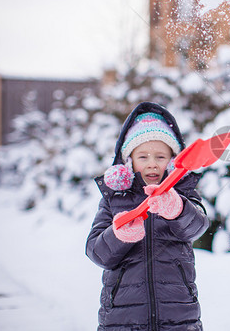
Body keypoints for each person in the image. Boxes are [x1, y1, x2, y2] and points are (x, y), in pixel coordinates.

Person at [86, 102, 209, 331]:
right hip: (123, 317)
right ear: (129, 161)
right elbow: (97, 252)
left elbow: (198, 226)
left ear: (173, 160)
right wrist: (118, 235)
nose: (152, 164)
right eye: (143, 156)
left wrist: (178, 209)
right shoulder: (115, 198)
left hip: (179, 314)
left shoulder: (182, 193)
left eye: (160, 157)